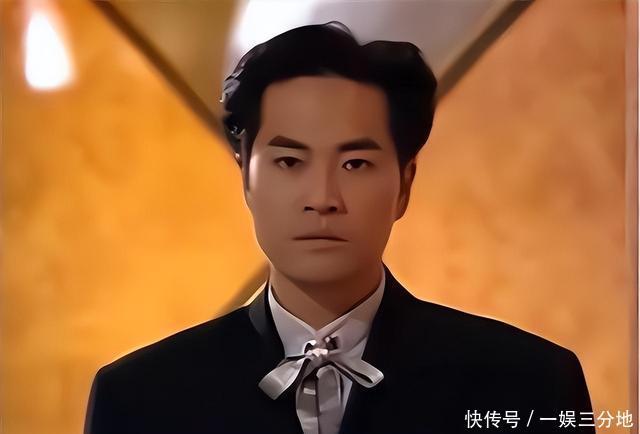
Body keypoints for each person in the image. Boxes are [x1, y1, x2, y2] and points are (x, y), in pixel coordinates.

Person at [84, 22, 594, 434]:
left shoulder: (531, 385)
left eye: (355, 164)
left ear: (404, 185)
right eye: (289, 162)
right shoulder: (141, 399)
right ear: (247, 180)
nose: (323, 198)